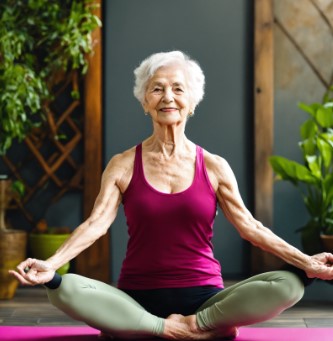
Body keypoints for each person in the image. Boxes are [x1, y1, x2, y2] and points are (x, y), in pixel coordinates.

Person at [10, 51, 333, 340]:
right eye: (157, 88)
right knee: (61, 290)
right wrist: (50, 264)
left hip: (206, 298)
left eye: (178, 89)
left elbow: (251, 228)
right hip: (136, 298)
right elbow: (95, 224)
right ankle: (168, 328)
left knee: (289, 285)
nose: (168, 97)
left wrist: (307, 264)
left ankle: (187, 325)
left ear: (192, 101)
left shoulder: (214, 166)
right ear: (144, 101)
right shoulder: (122, 165)